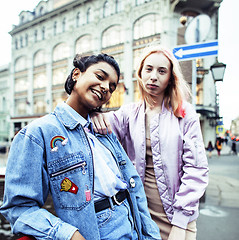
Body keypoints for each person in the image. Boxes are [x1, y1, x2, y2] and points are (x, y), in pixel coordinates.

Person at [0, 53, 161, 240]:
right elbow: (19, 208)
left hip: (131, 222)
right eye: (100, 77)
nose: (105, 88)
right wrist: (69, 234)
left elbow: (133, 185)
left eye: (111, 87)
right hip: (97, 231)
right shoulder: (37, 134)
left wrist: (150, 235)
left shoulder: (103, 130)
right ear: (76, 74)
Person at [91, 45, 209, 240]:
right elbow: (95, 127)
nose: (154, 76)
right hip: (139, 214)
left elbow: (196, 170)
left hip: (178, 217)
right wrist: (95, 113)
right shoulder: (129, 114)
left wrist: (180, 224)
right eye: (149, 69)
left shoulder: (185, 114)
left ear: (170, 77)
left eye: (162, 71)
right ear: (140, 73)